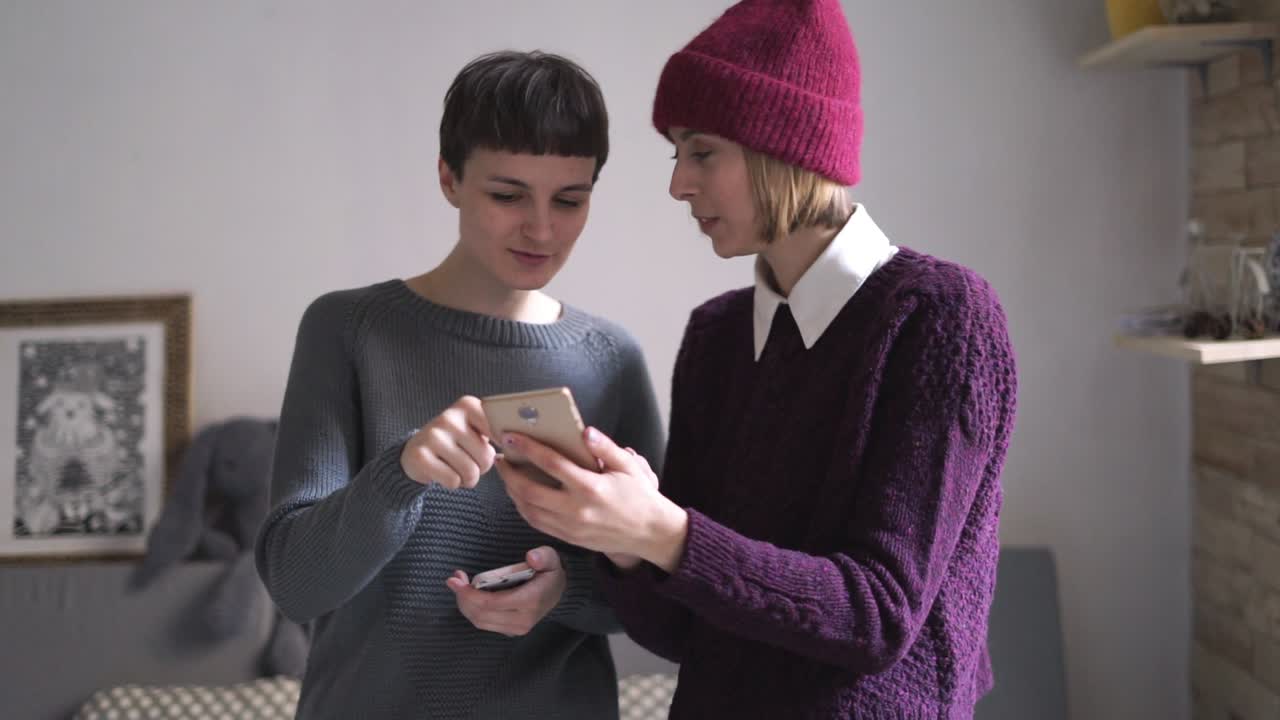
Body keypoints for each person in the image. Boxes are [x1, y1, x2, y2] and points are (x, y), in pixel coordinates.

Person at [496, 2, 1019, 717]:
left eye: (701, 152)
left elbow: (878, 615)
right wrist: (621, 540)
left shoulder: (942, 316)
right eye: (676, 153)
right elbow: (679, 631)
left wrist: (659, 530)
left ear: (786, 146)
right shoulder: (715, 338)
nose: (679, 184)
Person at [255, 50, 664, 720]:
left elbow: (658, 600)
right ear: (449, 178)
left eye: (570, 199)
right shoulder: (347, 329)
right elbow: (296, 586)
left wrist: (563, 593)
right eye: (507, 195)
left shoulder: (612, 357)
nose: (541, 228)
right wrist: (400, 473)